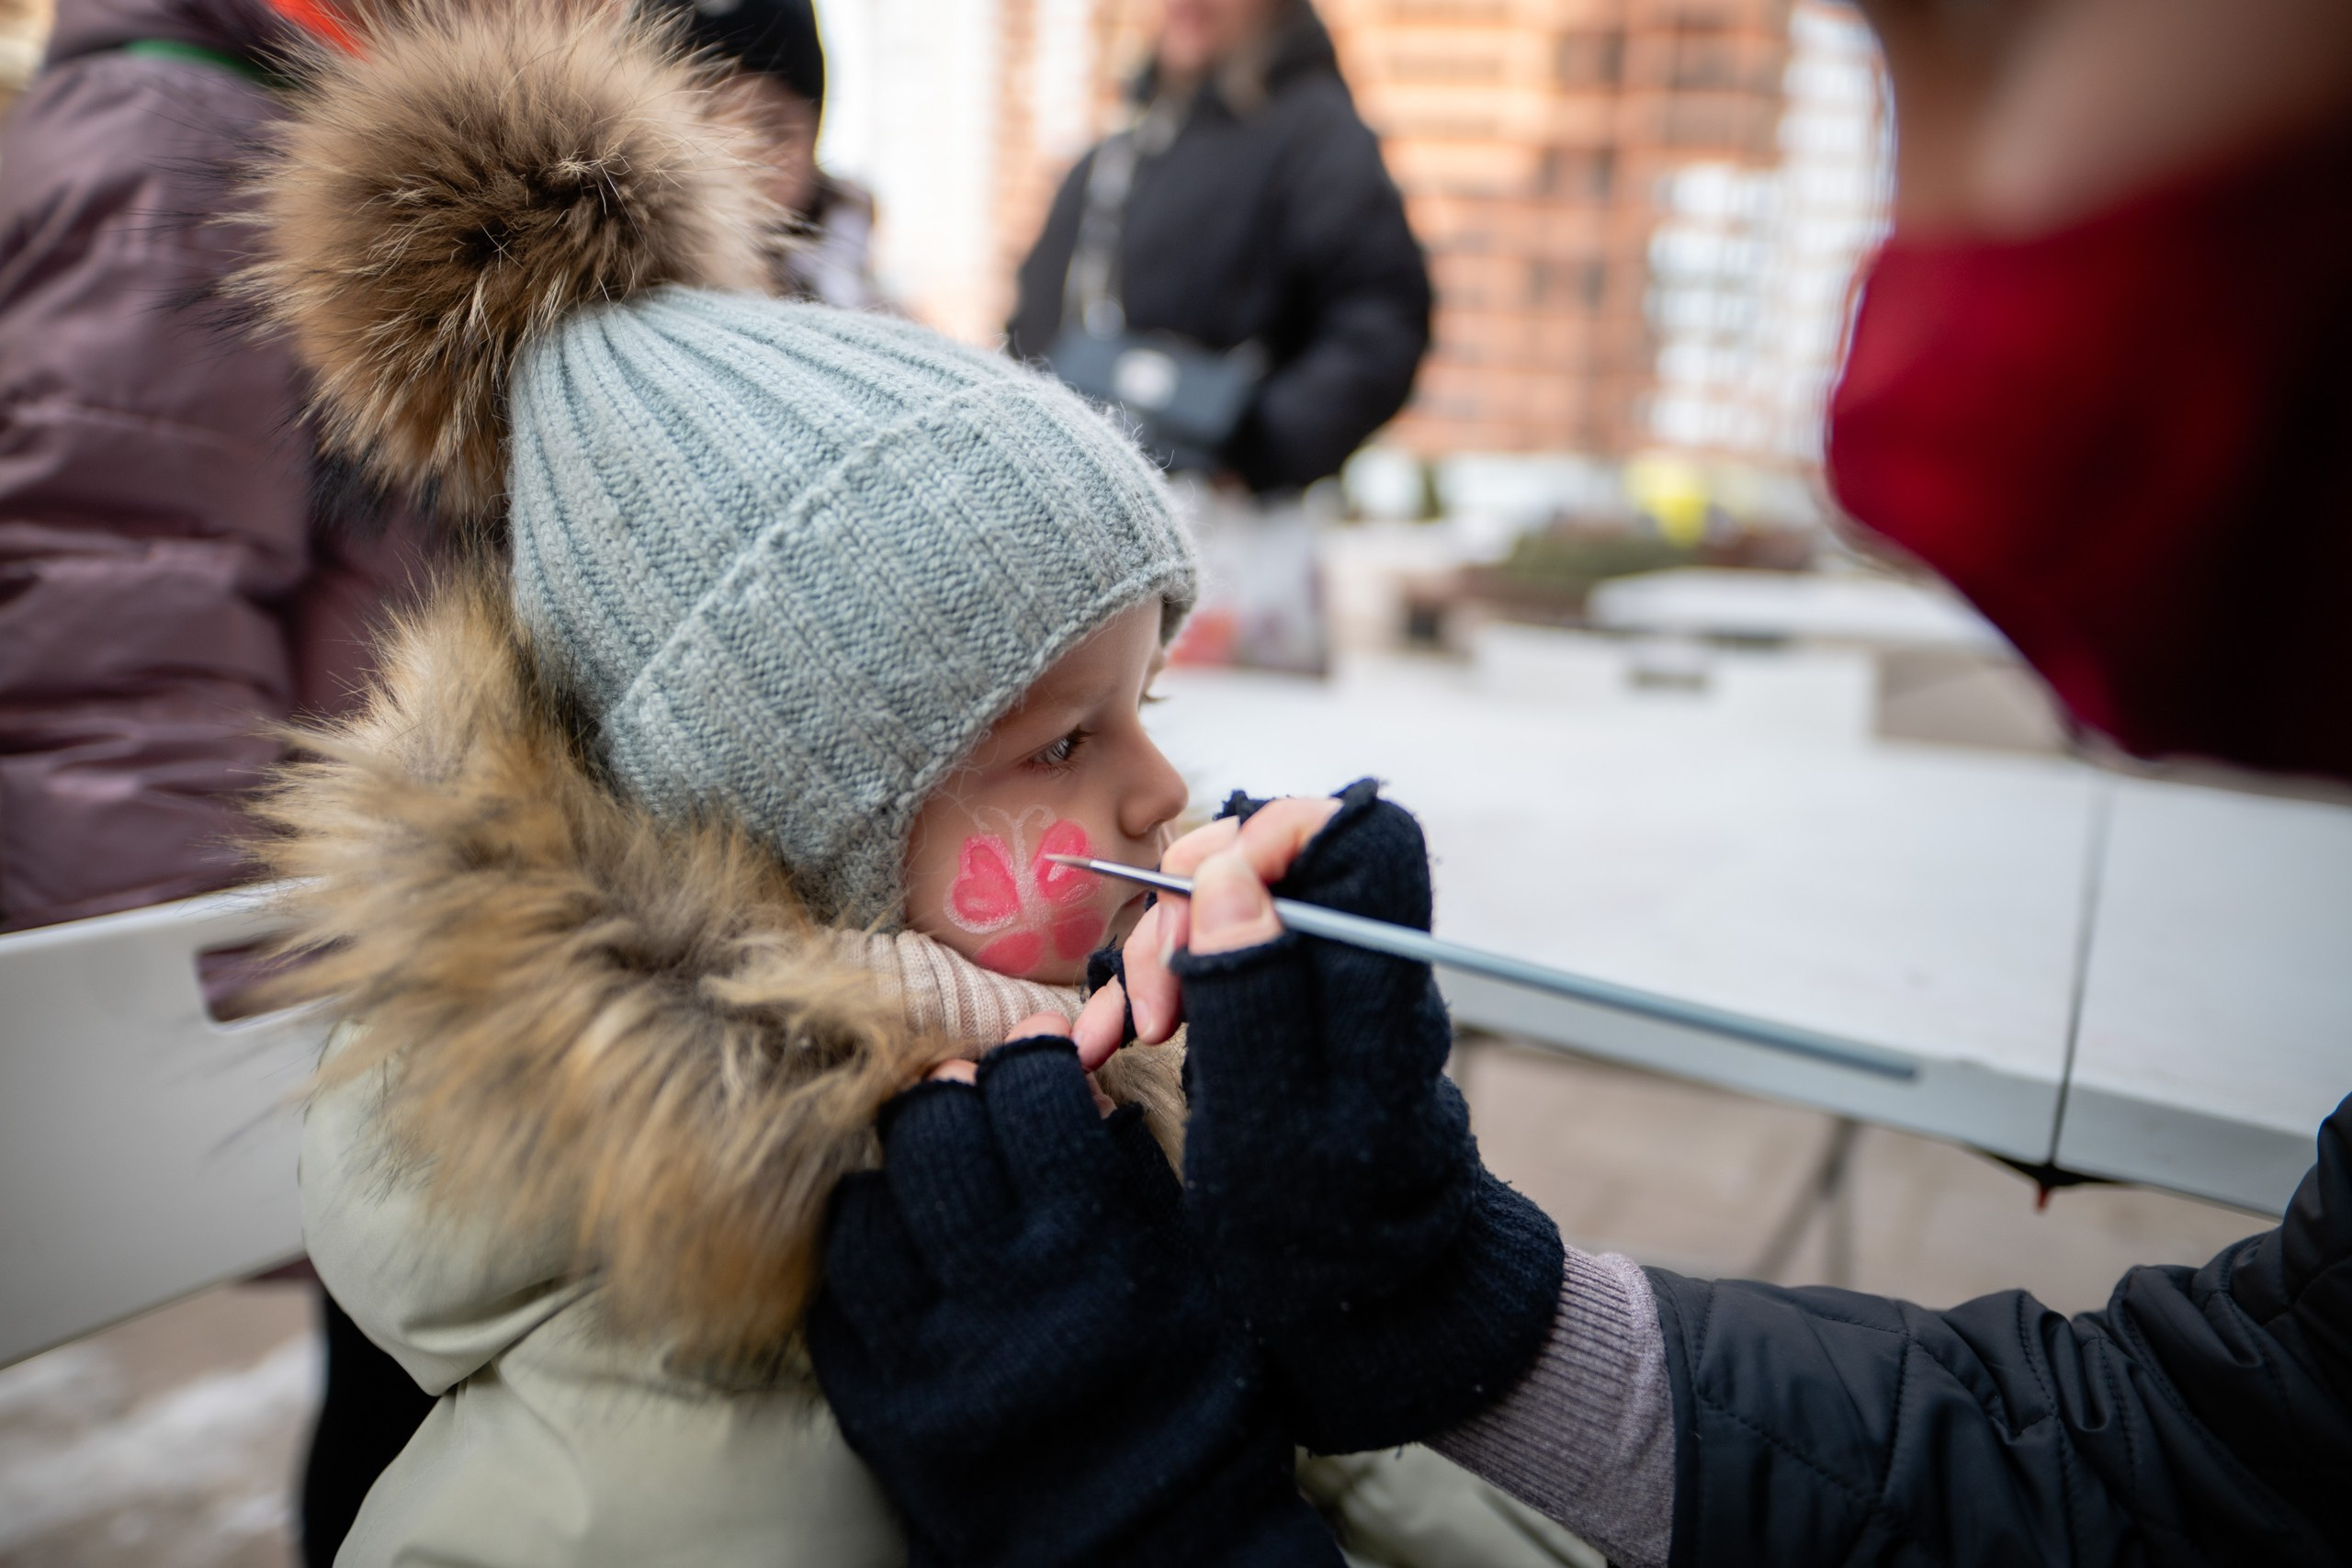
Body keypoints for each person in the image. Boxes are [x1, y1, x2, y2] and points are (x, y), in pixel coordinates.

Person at [806, 0, 2352, 1562]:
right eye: (1065, 738)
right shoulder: (1115, 155)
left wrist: (1147, 1524)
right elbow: (2228, 1451)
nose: (1903, 279)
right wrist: (1461, 1306)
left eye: (1978, 37)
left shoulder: (1309, 150)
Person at [238, 6, 1596, 1565]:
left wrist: (1359, 1234)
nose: (1164, 787)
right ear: (802, 835)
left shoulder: (1112, 1112)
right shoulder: (638, 1474)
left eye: (1143, 704)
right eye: (1063, 741)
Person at [0, 0, 438, 1560]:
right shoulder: (181, 141)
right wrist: (213, 1048)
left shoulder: (267, 109)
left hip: (360, 895)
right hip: (298, 931)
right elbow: (116, 608)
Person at [1009, 0, 1430, 672]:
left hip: (1234, 553)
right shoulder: (1115, 159)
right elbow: (1027, 340)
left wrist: (1251, 445)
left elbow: (1381, 324)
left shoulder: (1318, 138)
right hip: (1085, 560)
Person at [648, 0, 886, 310]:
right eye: (705, 115)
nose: (741, 152)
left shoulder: (872, 313)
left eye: (774, 129)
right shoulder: (618, 294)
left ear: (813, 143)